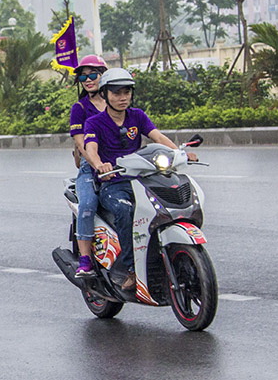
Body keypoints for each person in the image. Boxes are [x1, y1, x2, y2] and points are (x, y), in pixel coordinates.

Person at [82, 69, 195, 292]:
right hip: (113, 183)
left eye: (126, 92)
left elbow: (158, 137)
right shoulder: (95, 122)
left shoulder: (137, 116)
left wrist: (180, 152)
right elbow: (90, 149)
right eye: (116, 93)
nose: (122, 97)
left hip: (140, 179)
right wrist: (99, 165)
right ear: (104, 95)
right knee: (125, 211)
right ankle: (130, 269)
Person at [67, 56, 108, 279]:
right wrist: (96, 164)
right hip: (90, 168)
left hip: (119, 165)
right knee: (88, 204)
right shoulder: (80, 108)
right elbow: (81, 144)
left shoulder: (117, 104)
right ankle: (85, 259)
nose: (88, 79)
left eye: (93, 74)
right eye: (83, 76)